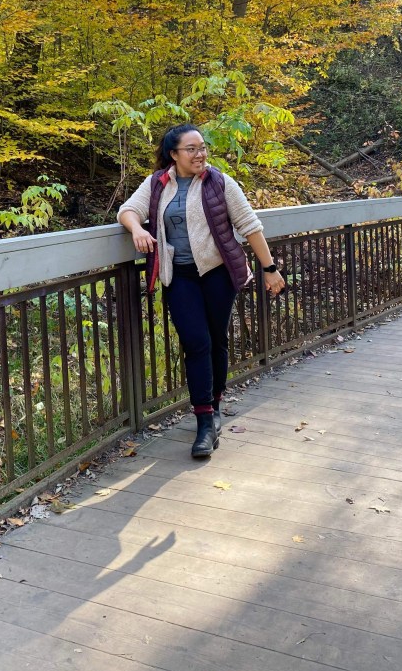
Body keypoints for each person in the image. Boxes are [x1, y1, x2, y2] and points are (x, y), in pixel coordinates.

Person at [117, 123, 286, 458]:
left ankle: (216, 403)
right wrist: (137, 228)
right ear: (173, 154)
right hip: (178, 276)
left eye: (202, 147)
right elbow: (128, 210)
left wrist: (269, 269)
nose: (200, 154)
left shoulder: (219, 182)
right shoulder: (157, 183)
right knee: (196, 343)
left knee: (216, 340)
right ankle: (205, 420)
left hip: (217, 273)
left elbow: (250, 226)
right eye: (191, 149)